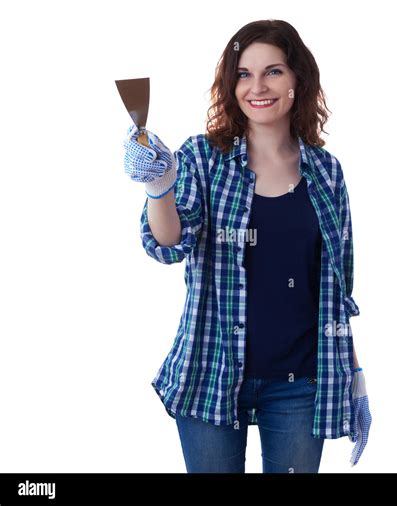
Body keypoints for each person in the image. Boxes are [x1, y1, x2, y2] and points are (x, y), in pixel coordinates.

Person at [123, 19, 372, 473]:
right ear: (231, 83)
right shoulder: (202, 158)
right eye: (244, 73)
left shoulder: (326, 172)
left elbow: (336, 291)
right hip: (209, 371)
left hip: (300, 384)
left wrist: (354, 374)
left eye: (273, 71)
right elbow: (168, 245)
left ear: (298, 79)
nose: (257, 86)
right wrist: (159, 187)